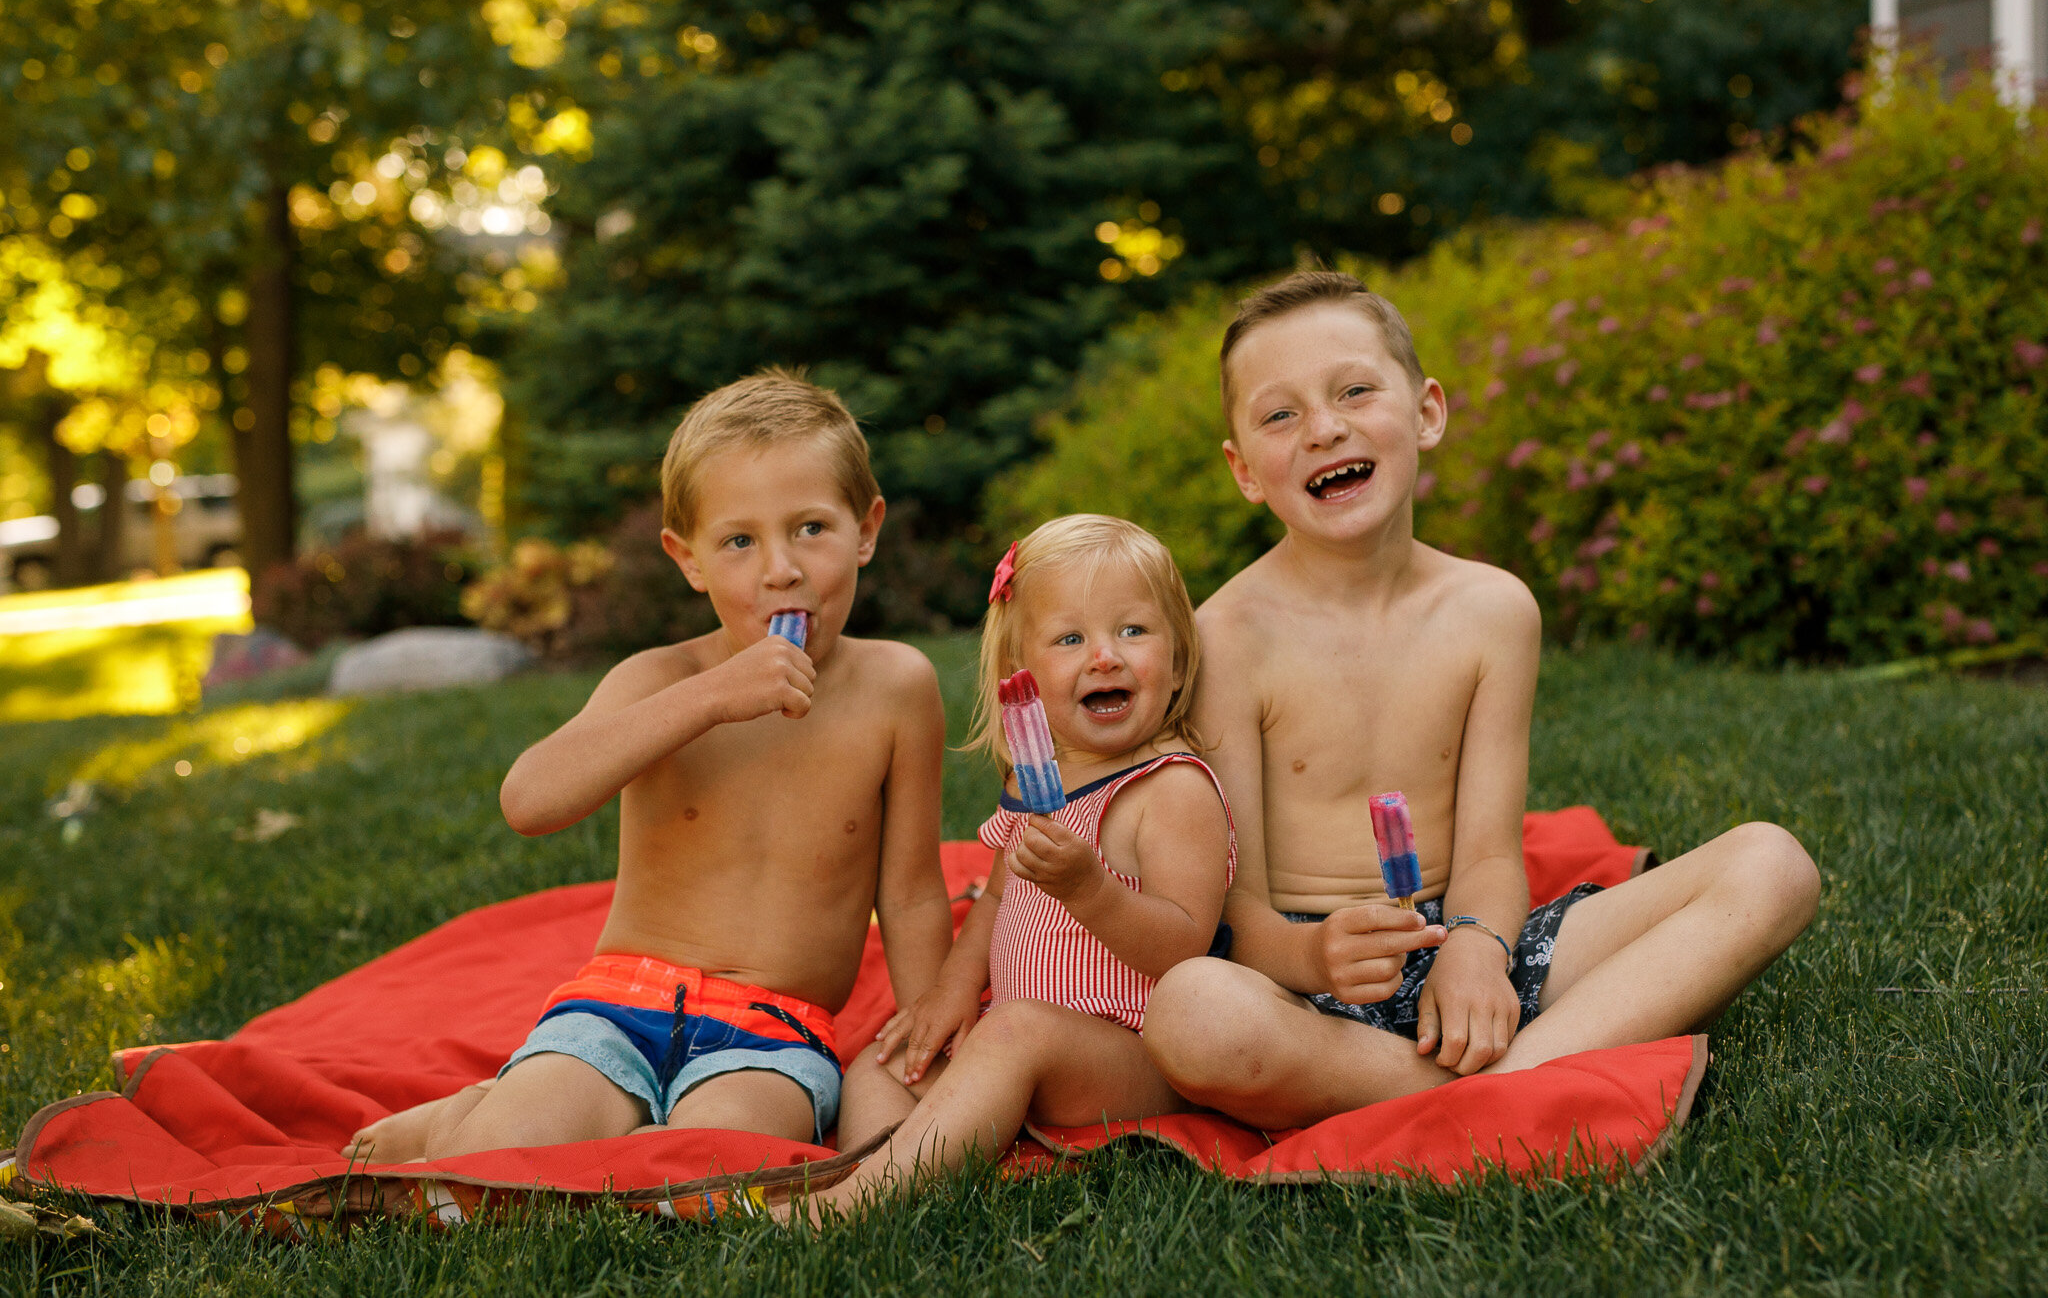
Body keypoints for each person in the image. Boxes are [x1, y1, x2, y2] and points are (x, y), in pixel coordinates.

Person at [1141, 271, 1820, 1128]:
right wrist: (1315, 953)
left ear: (1427, 412)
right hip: (1312, 986)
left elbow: (1493, 852)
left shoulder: (1493, 610)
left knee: (1773, 864)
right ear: (1244, 468)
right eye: (1281, 414)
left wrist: (1476, 945)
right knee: (1193, 1012)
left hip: (1465, 943)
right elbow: (1232, 911)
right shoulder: (1227, 639)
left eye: (1354, 389)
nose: (1324, 427)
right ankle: (1507, 1083)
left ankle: (1504, 1076)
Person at [347, 372, 954, 1160]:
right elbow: (529, 800)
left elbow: (909, 893)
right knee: (500, 1159)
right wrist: (711, 698)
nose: (781, 569)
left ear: (866, 528)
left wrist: (929, 1028)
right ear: (688, 558)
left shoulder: (898, 687)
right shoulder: (659, 681)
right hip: (615, 1004)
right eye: (739, 541)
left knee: (714, 1162)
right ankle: (482, 1109)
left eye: (811, 528)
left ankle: (580, 1114)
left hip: (774, 1026)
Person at [778, 515, 1235, 1219]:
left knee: (1020, 1029)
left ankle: (858, 1202)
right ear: (1020, 678)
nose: (1105, 656)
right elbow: (993, 903)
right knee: (886, 1055)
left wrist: (1090, 889)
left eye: (1134, 631)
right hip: (1019, 1035)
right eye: (1070, 638)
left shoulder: (1172, 790)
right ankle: (892, 1166)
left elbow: (1184, 946)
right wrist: (950, 991)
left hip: (1136, 1052)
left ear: (1177, 663)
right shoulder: (1034, 781)